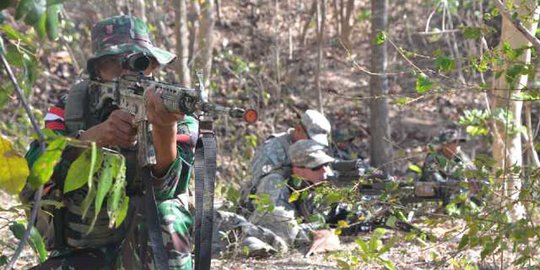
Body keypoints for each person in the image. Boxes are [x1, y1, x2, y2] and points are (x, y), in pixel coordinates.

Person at [22, 15, 197, 269]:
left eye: (140, 62)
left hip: (147, 250)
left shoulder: (172, 108)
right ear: (97, 72)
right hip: (87, 251)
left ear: (152, 67)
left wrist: (164, 127)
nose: (128, 71)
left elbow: (167, 190)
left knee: (167, 217)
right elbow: (35, 169)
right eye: (114, 63)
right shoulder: (70, 109)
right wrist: (92, 139)